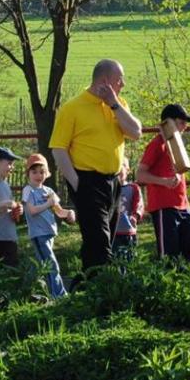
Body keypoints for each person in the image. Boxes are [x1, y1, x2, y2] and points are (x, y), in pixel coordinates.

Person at [49, 59, 143, 274]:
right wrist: (77, 182)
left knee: (102, 240)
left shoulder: (119, 105)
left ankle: (84, 285)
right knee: (99, 244)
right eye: (119, 80)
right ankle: (101, 286)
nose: (123, 84)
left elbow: (136, 132)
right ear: (105, 81)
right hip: (87, 181)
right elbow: (58, 149)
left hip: (113, 181)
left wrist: (114, 104)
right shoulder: (73, 108)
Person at [136, 103, 190, 262]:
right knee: (169, 254)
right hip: (164, 206)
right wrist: (163, 181)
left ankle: (182, 276)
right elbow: (140, 174)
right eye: (182, 122)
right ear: (168, 123)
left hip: (183, 205)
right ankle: (166, 277)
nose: (185, 126)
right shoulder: (157, 144)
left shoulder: (176, 144)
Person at [21, 153, 75, 298]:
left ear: (47, 173)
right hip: (39, 234)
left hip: (50, 232)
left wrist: (69, 213)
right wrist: (48, 204)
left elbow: (59, 211)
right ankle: (59, 295)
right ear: (28, 173)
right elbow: (32, 211)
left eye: (42, 172)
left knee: (40, 263)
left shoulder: (49, 191)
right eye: (34, 172)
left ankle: (25, 290)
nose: (38, 175)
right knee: (51, 264)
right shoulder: (28, 190)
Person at [112, 157, 144, 261]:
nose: (120, 168)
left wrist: (135, 216)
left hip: (128, 230)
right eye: (117, 165)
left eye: (123, 165)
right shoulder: (110, 189)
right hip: (113, 231)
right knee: (114, 258)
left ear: (128, 170)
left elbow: (139, 203)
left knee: (130, 258)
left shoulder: (133, 188)